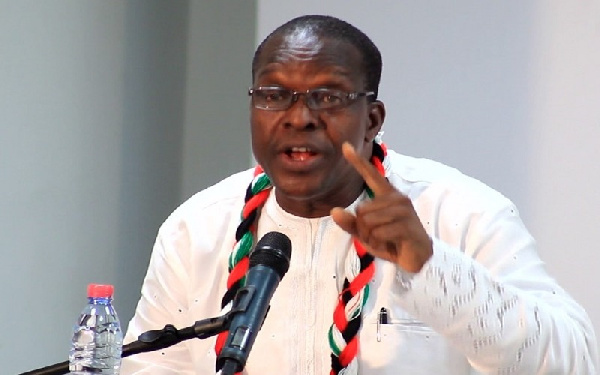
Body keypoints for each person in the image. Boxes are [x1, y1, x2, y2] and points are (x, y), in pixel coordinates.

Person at [121, 14, 598, 375]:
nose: (298, 117)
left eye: (327, 97)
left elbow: (572, 359)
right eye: (274, 94)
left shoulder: (461, 212)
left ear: (372, 119)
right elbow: (150, 367)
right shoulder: (197, 228)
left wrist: (431, 268)